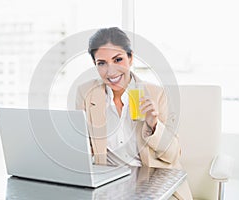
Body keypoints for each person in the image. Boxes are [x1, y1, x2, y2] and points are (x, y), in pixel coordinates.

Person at [75, 27, 192, 200]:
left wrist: (153, 125)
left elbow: (172, 155)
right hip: (108, 185)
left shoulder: (155, 94)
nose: (111, 71)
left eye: (118, 59)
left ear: (130, 58)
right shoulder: (86, 93)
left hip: (153, 184)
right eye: (102, 63)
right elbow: (81, 147)